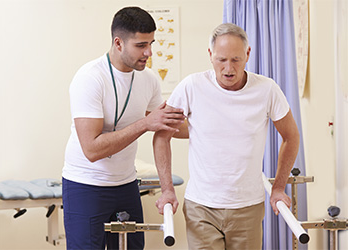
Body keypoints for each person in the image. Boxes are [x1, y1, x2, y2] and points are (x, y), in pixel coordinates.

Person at [153, 23, 300, 249]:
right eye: (221, 60)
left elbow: (291, 136)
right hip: (201, 206)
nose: (228, 68)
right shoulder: (192, 86)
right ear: (210, 55)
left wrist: (279, 187)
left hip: (248, 207)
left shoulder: (267, 90)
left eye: (235, 59)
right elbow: (162, 135)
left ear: (248, 54)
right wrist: (167, 190)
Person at [62, 6, 185, 250]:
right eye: (140, 45)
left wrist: (220, 125)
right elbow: (92, 150)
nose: (148, 52)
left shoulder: (148, 79)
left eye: (151, 43)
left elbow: (166, 127)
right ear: (118, 43)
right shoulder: (90, 78)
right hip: (85, 185)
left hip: (126, 184)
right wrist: (145, 123)